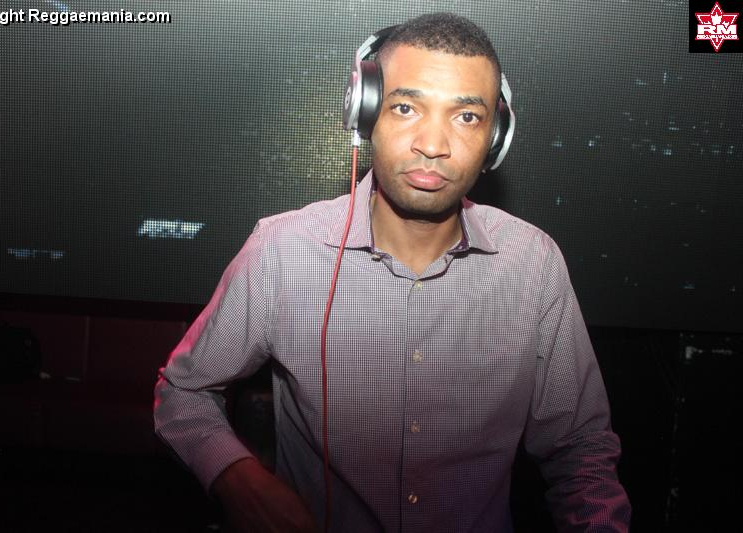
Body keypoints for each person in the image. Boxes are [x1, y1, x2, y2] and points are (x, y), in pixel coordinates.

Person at [153, 12, 631, 533]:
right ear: (364, 113)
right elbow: (183, 393)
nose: (433, 143)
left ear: (495, 137)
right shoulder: (282, 251)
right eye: (406, 107)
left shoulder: (533, 263)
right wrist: (239, 480)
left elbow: (580, 449)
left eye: (466, 116)